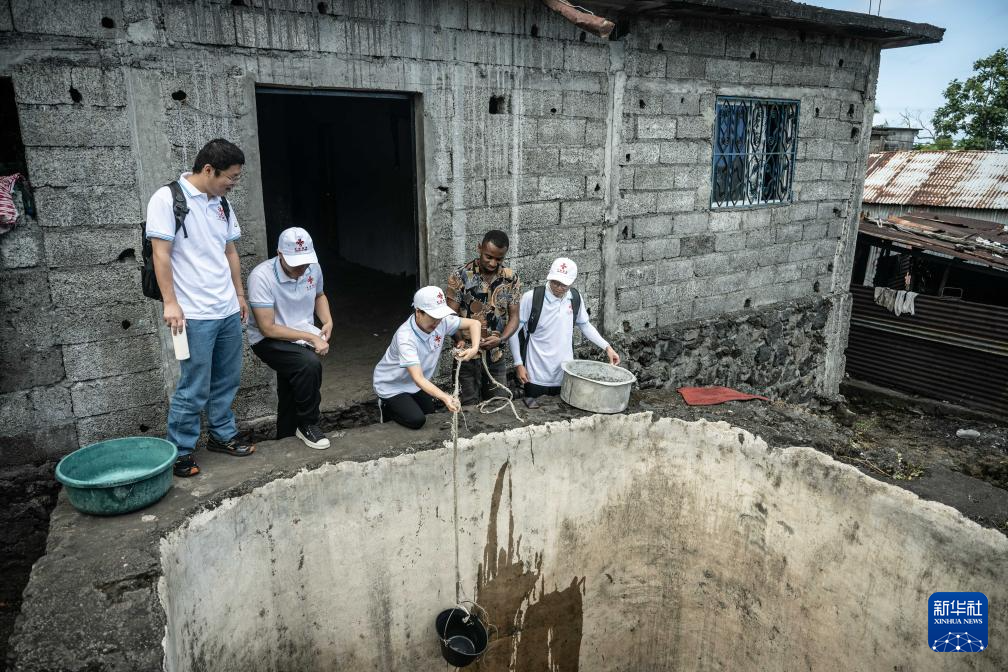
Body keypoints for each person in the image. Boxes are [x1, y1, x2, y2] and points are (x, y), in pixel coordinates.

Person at [146, 138, 255, 477]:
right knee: (194, 386)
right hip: (192, 314)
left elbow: (230, 252)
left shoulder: (221, 203)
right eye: (231, 177)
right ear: (208, 169)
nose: (233, 184)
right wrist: (171, 303)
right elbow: (160, 254)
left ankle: (221, 436)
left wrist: (239, 295)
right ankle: (180, 451)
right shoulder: (167, 199)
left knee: (227, 379)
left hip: (225, 309)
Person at [247, 227, 333, 450]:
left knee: (291, 382)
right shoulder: (261, 277)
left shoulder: (312, 268)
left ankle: (285, 436)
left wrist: (327, 320)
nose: (302, 269)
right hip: (269, 338)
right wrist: (312, 338)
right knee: (307, 365)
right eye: (296, 263)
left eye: (305, 262)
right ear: (280, 254)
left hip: (300, 332)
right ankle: (308, 423)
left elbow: (319, 295)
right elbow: (268, 328)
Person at [508, 257, 620, 408]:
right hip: (535, 375)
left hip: (565, 374)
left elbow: (585, 325)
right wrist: (518, 364)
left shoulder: (574, 298)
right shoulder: (532, 298)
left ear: (572, 281)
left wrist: (607, 347)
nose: (559, 287)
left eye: (564, 284)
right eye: (555, 282)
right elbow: (514, 331)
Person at [373, 286, 482, 429]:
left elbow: (475, 323)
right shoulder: (405, 337)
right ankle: (386, 406)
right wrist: (445, 397)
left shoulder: (441, 322)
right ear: (418, 312)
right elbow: (418, 378)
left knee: (430, 413)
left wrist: (474, 348)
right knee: (417, 420)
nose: (437, 322)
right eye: (433, 317)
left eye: (439, 316)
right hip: (392, 385)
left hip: (415, 383)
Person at [445, 230, 522, 406]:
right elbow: (449, 316)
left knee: (498, 404)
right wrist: (459, 340)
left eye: (499, 259)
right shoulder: (460, 276)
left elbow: (515, 317)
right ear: (480, 247)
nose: (493, 262)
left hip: (496, 356)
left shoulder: (511, 279)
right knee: (466, 407)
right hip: (465, 356)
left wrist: (501, 339)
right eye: (488, 257)